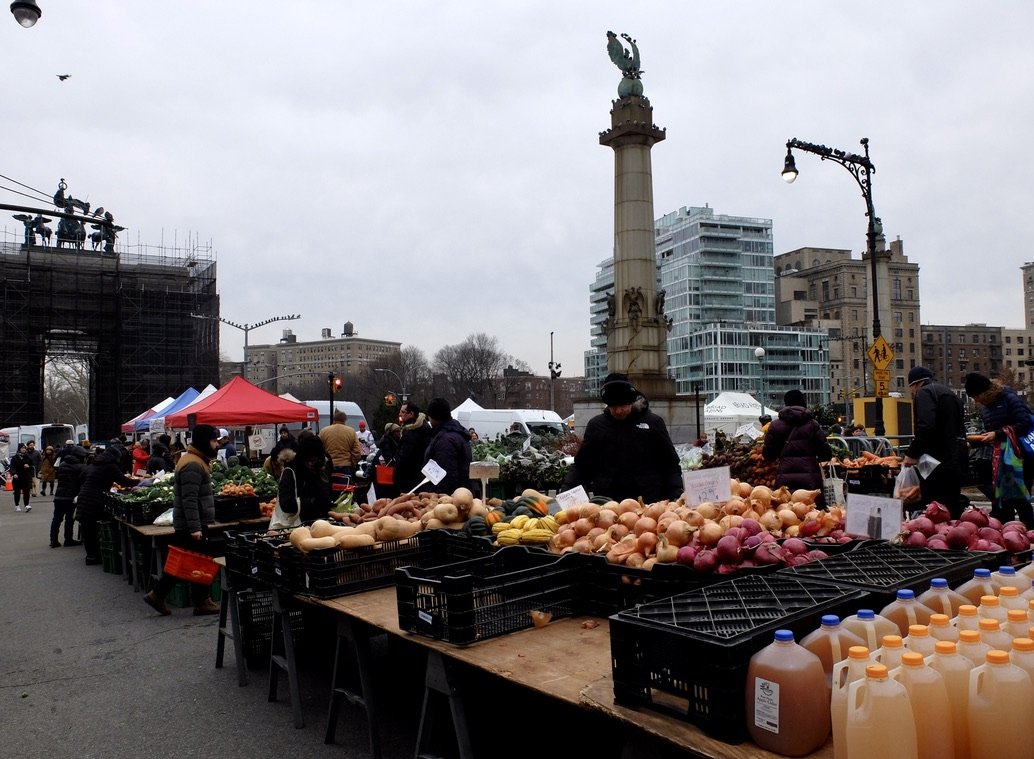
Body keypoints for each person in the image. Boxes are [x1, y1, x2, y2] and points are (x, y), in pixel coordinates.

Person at [560, 373, 683, 503]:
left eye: (622, 406)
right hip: (608, 503)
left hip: (647, 501)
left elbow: (670, 463)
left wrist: (676, 493)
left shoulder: (653, 422)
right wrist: (566, 493)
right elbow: (582, 465)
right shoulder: (596, 426)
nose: (618, 411)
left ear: (631, 401)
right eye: (613, 407)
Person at [143, 424, 223, 616]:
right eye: (213, 441)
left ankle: (182, 598)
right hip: (190, 524)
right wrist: (196, 528)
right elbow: (189, 499)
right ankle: (195, 600)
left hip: (190, 522)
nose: (216, 445)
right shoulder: (193, 464)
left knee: (192, 561)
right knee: (193, 561)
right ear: (205, 441)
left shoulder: (196, 460)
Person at [964, 372, 1034, 527]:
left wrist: (998, 433)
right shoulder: (986, 408)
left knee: (1020, 498)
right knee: (1003, 499)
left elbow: (1023, 422)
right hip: (1001, 459)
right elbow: (991, 435)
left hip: (1020, 457)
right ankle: (1006, 532)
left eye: (975, 396)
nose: (976, 400)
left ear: (983, 392)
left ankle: (1029, 532)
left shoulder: (1008, 398)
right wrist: (974, 443)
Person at [903, 366, 969, 518]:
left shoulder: (924, 393)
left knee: (935, 506)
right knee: (951, 503)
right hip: (956, 458)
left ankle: (936, 539)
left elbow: (926, 426)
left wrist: (912, 453)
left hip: (935, 460)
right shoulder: (950, 393)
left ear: (915, 384)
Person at [762, 389, 833, 507]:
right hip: (810, 478)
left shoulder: (775, 426)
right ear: (802, 402)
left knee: (787, 514)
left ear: (785, 403)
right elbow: (826, 454)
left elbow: (768, 455)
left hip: (785, 479)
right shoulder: (812, 424)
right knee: (813, 516)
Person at [76, 440, 137, 565]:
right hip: (94, 500)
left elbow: (82, 478)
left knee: (88, 529)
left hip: (84, 497)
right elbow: (124, 481)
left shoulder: (95, 463)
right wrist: (141, 482)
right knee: (92, 528)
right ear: (115, 457)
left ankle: (91, 557)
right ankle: (94, 557)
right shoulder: (110, 466)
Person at [276, 434, 333, 522]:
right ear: (301, 458)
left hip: (323, 521)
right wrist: (312, 501)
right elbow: (286, 504)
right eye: (307, 460)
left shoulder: (323, 469)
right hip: (299, 523)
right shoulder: (291, 472)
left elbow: (328, 493)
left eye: (314, 460)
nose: (310, 463)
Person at [422, 397, 473, 494]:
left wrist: (438, 497)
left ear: (434, 417)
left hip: (451, 497)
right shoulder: (456, 433)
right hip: (461, 491)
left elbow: (447, 475)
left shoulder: (445, 440)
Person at [51, 441, 86, 548]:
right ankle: (68, 539)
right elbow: (82, 482)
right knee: (69, 519)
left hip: (59, 495)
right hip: (71, 496)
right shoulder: (80, 467)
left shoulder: (62, 464)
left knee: (56, 519)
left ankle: (53, 540)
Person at [394, 401, 432, 494]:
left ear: (411, 414)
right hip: (422, 479)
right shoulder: (425, 428)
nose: (400, 414)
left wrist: (396, 478)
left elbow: (403, 460)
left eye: (403, 412)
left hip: (409, 481)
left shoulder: (411, 434)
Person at [319, 410, 362, 485]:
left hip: (328, 466)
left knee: (328, 490)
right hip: (345, 466)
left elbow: (319, 449)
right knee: (344, 491)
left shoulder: (323, 431)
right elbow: (357, 452)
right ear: (345, 420)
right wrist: (352, 463)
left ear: (334, 419)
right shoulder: (351, 431)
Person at [10, 443, 35, 512]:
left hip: (26, 477)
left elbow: (32, 466)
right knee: (17, 492)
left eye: (24, 448)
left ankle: (26, 505)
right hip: (17, 477)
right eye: (22, 448)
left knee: (26, 491)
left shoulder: (28, 457)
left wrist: (29, 466)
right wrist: (14, 473)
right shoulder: (15, 458)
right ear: (19, 449)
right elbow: (12, 467)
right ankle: (17, 505)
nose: (23, 449)